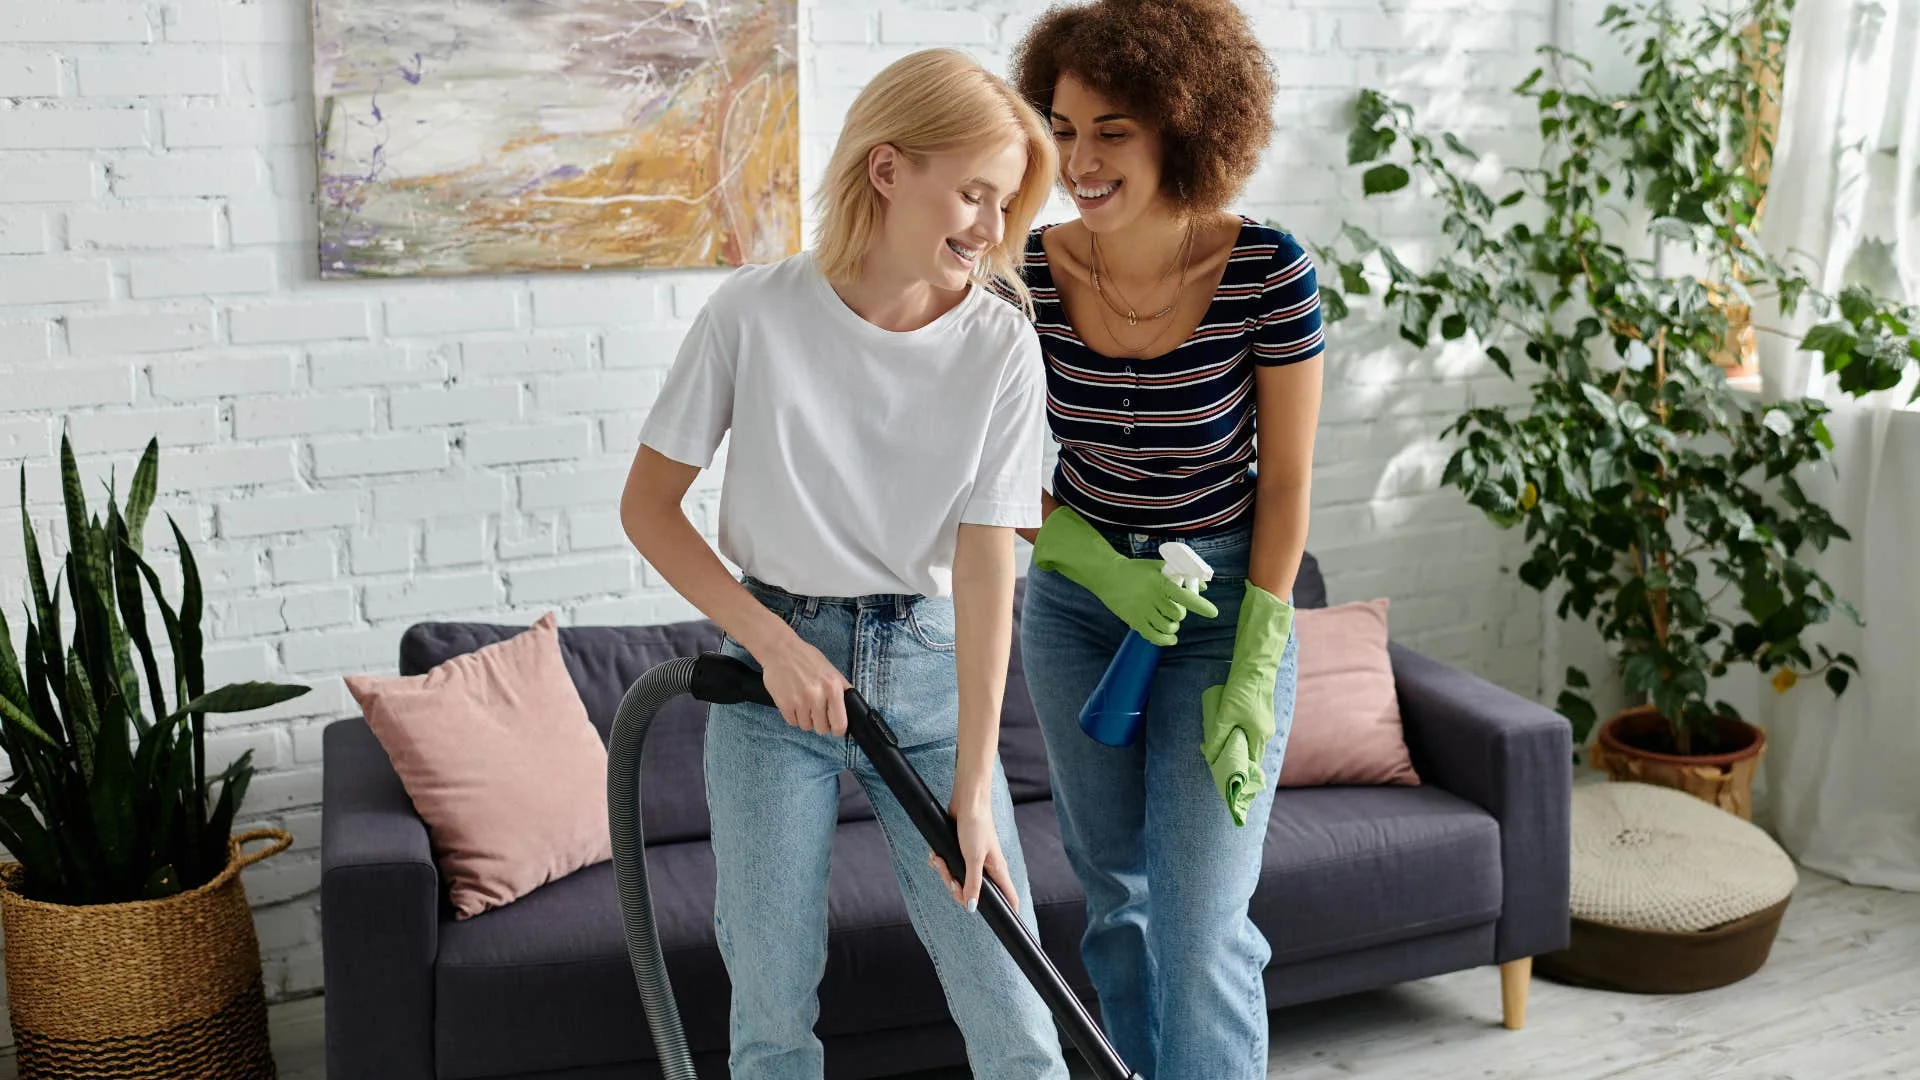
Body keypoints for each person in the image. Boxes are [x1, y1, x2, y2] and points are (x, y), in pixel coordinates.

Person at [619, 48, 1070, 1080]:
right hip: (770, 684)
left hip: (929, 671)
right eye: (973, 193)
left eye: (1007, 207)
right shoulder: (755, 314)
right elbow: (649, 508)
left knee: (1015, 1010)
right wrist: (773, 646)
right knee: (772, 1014)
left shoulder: (1000, 344)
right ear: (886, 169)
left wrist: (971, 785)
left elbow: (990, 555)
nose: (992, 232)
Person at [1004, 1, 1327, 1077]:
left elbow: (1283, 485)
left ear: (1183, 127)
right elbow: (994, 477)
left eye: (1112, 130)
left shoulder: (1266, 271)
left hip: (1222, 606)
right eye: (1060, 127)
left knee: (1201, 929)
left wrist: (1257, 659)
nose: (1078, 160)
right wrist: (1095, 564)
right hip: (1074, 611)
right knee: (1114, 905)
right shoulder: (1030, 277)